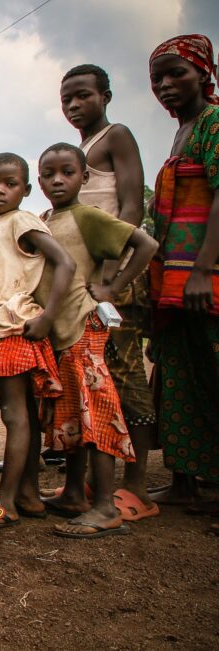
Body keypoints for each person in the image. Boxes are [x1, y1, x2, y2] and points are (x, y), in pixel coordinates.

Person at [34, 143, 157, 538]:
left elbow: (146, 245)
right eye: (49, 174)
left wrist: (113, 287)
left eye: (67, 172)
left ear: (84, 178)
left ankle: (104, 506)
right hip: (61, 334)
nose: (57, 180)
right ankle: (74, 493)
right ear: (39, 181)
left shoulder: (89, 216)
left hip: (84, 329)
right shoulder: (46, 219)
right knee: (73, 417)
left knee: (96, 416)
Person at [0, 153, 74, 530]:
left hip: (15, 326)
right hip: (1, 329)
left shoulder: (22, 220)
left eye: (9, 183)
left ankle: (5, 500)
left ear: (26, 189)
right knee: (22, 416)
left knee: (15, 416)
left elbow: (65, 263)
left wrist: (48, 316)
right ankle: (29, 494)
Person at [59, 63, 158, 520]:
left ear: (106, 96)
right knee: (92, 378)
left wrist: (115, 277)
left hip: (115, 277)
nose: (75, 105)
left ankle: (134, 485)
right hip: (88, 280)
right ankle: (96, 481)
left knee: (124, 375)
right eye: (67, 100)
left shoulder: (116, 135)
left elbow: (132, 203)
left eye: (83, 95)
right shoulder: (79, 150)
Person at [146, 34, 219, 517]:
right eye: (158, 79)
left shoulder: (214, 123)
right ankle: (185, 482)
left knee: (213, 374)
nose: (167, 85)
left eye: (178, 73)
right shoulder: (181, 131)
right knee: (176, 376)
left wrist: (204, 269)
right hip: (172, 280)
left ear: (204, 73)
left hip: (202, 276)